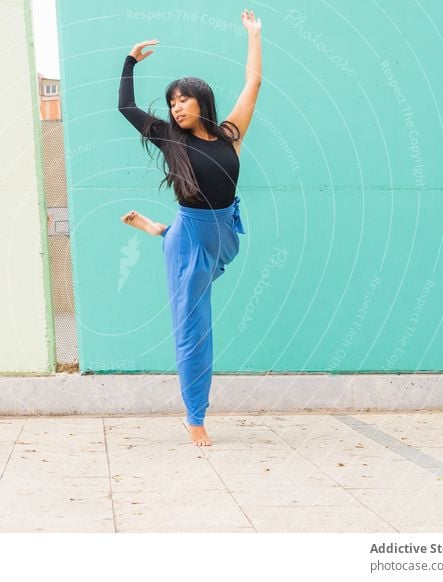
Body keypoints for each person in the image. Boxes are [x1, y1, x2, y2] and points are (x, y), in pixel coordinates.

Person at [117, 9, 262, 446]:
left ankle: (161, 232)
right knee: (193, 324)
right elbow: (125, 107)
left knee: (214, 261)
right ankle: (195, 415)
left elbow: (253, 85)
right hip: (194, 234)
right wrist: (129, 61)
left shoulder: (229, 135)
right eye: (172, 100)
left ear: (202, 101)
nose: (176, 106)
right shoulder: (167, 137)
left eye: (183, 99)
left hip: (225, 235)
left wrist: (254, 35)